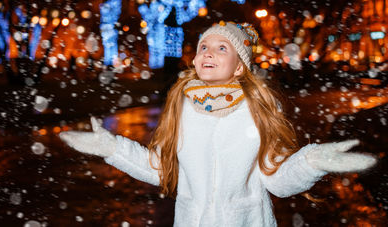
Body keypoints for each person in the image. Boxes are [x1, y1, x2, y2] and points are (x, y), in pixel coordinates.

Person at [59, 21, 377, 226]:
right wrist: (111, 148)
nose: (208, 53)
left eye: (221, 48)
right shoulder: (181, 107)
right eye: (203, 47)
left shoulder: (257, 111)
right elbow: (161, 168)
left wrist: (312, 161)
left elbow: (277, 179)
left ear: (239, 68)